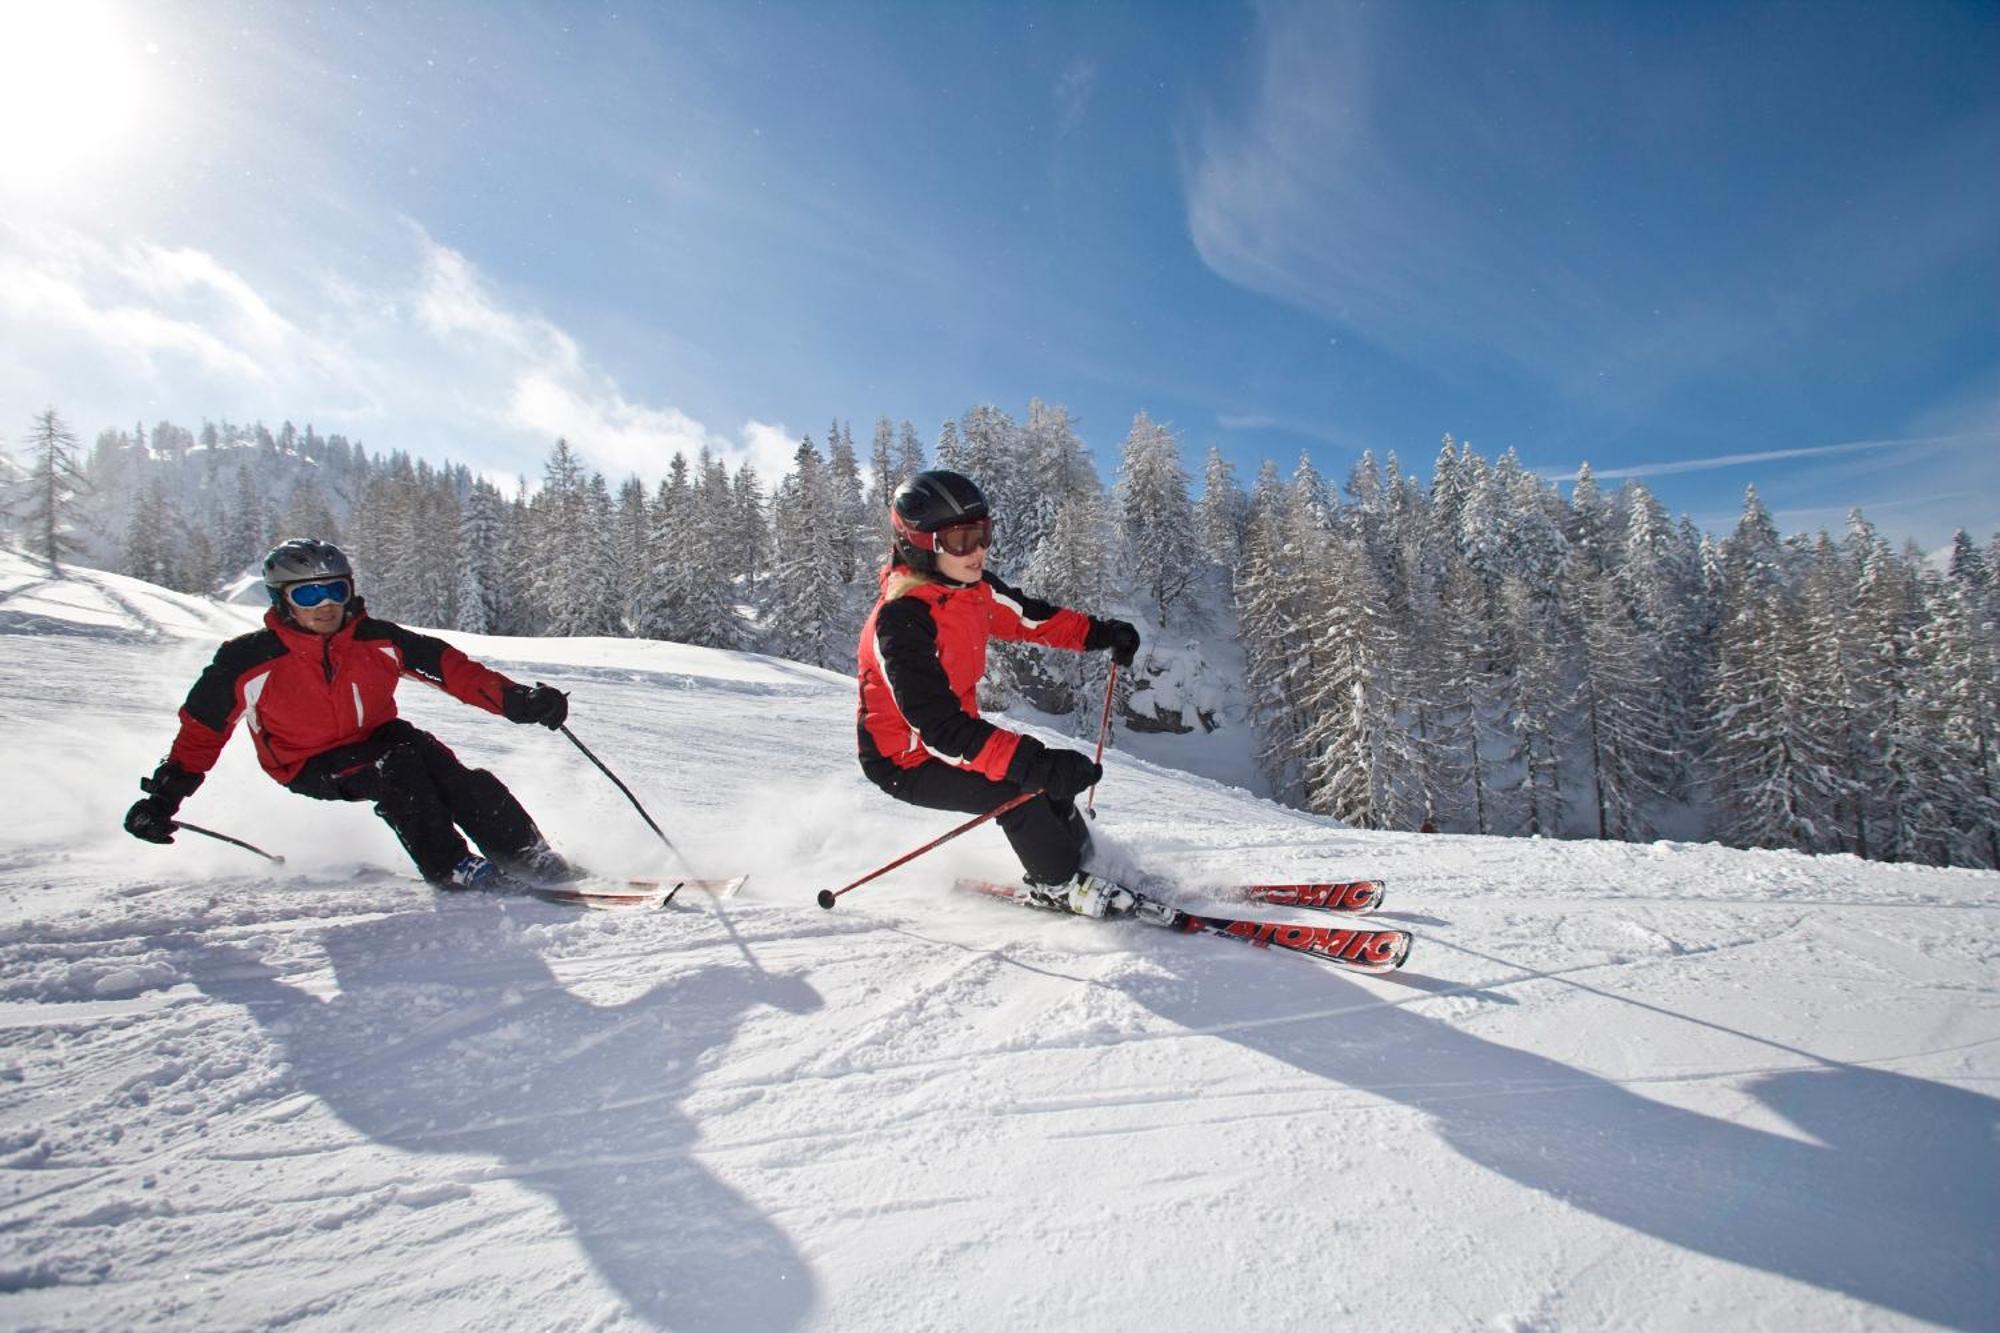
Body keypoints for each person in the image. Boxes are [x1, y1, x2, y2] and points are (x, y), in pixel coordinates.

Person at [123, 538, 579, 890]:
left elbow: (453, 670)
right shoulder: (247, 660)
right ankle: (451, 867)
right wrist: (163, 799)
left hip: (379, 736)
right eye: (309, 595)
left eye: (334, 590)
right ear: (282, 599)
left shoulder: (376, 639)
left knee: (444, 768)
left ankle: (525, 854)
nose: (325, 605)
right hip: (307, 763)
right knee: (398, 767)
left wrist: (520, 701)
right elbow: (201, 733)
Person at [857, 470, 1143, 916]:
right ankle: (1060, 884)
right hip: (905, 758)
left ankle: (1086, 863)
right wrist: (1037, 766)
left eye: (983, 533)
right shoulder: (900, 623)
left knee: (1044, 782)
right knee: (1017, 788)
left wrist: (1102, 633)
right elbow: (937, 728)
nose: (978, 551)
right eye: (960, 540)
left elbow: (1032, 618)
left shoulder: (973, 590)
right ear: (920, 543)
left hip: (949, 739)